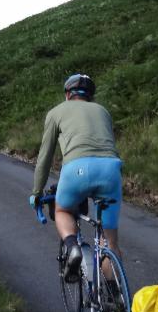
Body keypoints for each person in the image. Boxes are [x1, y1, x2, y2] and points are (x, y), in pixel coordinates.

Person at [29, 73, 123, 280]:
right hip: (110, 169)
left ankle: (72, 247)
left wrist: (36, 192)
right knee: (109, 244)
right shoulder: (103, 111)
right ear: (90, 96)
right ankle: (118, 301)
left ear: (67, 94)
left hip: (76, 169)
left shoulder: (56, 112)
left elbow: (45, 157)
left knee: (62, 210)